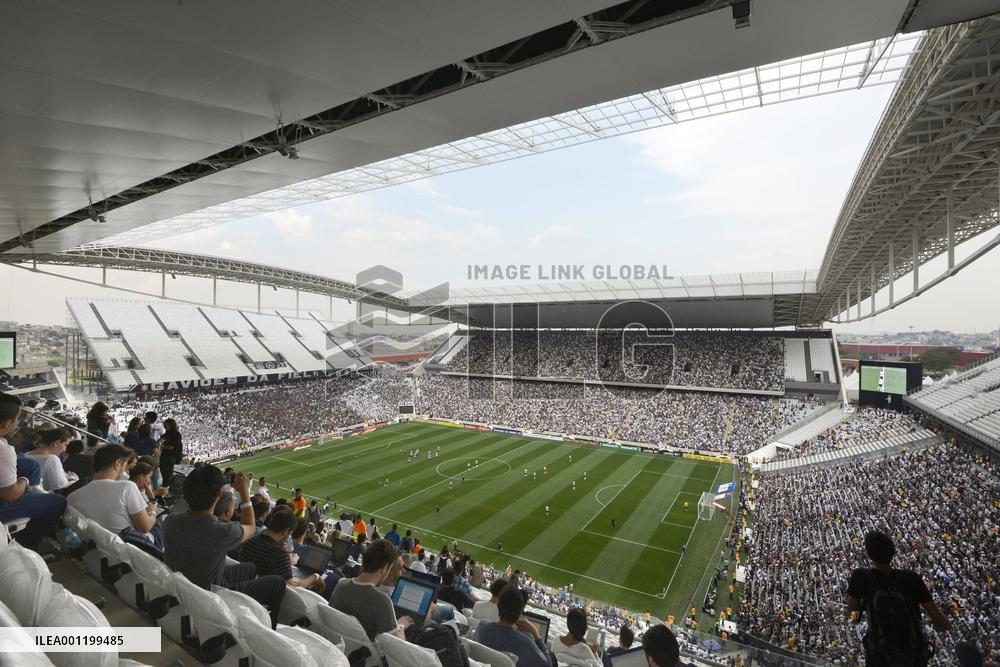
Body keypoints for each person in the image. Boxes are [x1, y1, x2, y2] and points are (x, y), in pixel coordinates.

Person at [163, 466, 286, 628]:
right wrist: (244, 492)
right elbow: (250, 526)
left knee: (250, 567)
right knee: (277, 582)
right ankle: (270, 630)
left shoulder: (170, 521)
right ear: (218, 495)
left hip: (184, 587)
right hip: (210, 598)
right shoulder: (222, 532)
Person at [846, 530, 951, 666]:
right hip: (913, 656)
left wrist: (857, 617)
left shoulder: (861, 576)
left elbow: (852, 611)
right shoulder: (911, 578)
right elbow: (937, 617)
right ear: (893, 551)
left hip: (879, 657)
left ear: (869, 554)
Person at [0, 393, 66, 549]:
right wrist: (24, 482)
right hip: (5, 500)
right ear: (7, 424)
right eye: (16, 420)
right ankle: (26, 545)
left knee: (31, 466)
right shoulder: (4, 450)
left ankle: (30, 500)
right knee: (58, 501)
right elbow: (10, 495)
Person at [68, 444, 159, 546]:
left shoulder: (72, 497)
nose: (127, 471)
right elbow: (145, 527)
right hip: (131, 551)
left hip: (95, 552)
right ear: (118, 463)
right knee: (158, 522)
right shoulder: (127, 487)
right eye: (125, 466)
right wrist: (153, 511)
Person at [330, 538, 410, 642]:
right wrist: (401, 626)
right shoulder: (382, 601)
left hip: (335, 646)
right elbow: (399, 646)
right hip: (360, 656)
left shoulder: (341, 584)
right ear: (385, 568)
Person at [240, 509, 325, 595]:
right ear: (286, 531)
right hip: (259, 598)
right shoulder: (279, 554)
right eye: (290, 533)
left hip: (242, 591)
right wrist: (315, 577)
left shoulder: (250, 541)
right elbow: (294, 588)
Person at [475, 584, 555, 667]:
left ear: (498, 604)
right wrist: (535, 632)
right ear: (520, 612)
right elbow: (548, 665)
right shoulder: (526, 642)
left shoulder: (482, 626)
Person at [27, 428, 78, 492]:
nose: (64, 450)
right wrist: (74, 481)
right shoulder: (52, 459)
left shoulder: (25, 455)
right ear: (57, 443)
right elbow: (60, 486)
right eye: (65, 445)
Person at [157, 418, 182, 487]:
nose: (164, 426)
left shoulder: (176, 434)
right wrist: (161, 444)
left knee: (168, 475)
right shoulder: (166, 434)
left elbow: (171, 447)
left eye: (166, 425)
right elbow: (158, 443)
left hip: (171, 457)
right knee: (164, 474)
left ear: (171, 425)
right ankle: (165, 488)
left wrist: (161, 446)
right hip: (164, 456)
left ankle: (166, 488)